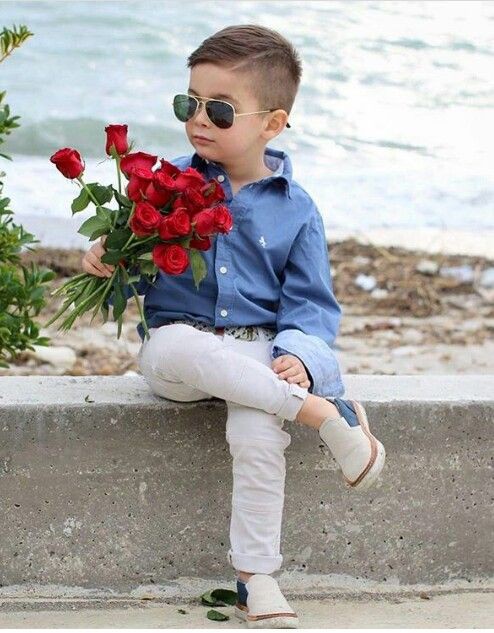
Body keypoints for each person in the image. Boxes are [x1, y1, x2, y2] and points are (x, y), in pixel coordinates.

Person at [82, 24, 386, 629]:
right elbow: (133, 278)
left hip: (257, 357)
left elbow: (310, 306)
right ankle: (324, 415)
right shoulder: (161, 186)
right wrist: (106, 259)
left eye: (219, 110)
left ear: (272, 124)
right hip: (179, 353)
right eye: (188, 103)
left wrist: (299, 355)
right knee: (178, 347)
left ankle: (256, 579)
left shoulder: (297, 210)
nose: (199, 119)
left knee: (256, 435)